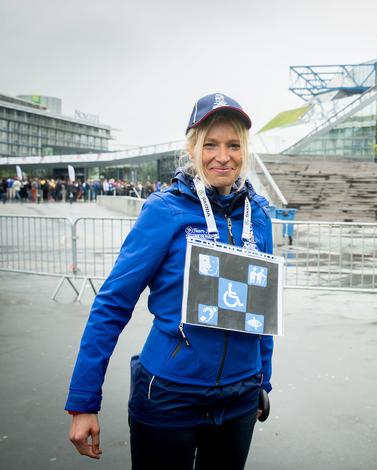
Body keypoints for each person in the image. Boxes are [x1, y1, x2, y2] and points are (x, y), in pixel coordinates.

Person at [65, 93, 274, 470]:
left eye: (233, 145)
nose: (222, 156)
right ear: (192, 147)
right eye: (210, 144)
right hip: (169, 396)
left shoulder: (259, 215)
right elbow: (113, 303)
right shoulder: (164, 210)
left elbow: (262, 308)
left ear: (245, 150)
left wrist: (263, 379)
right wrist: (83, 400)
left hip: (240, 397)